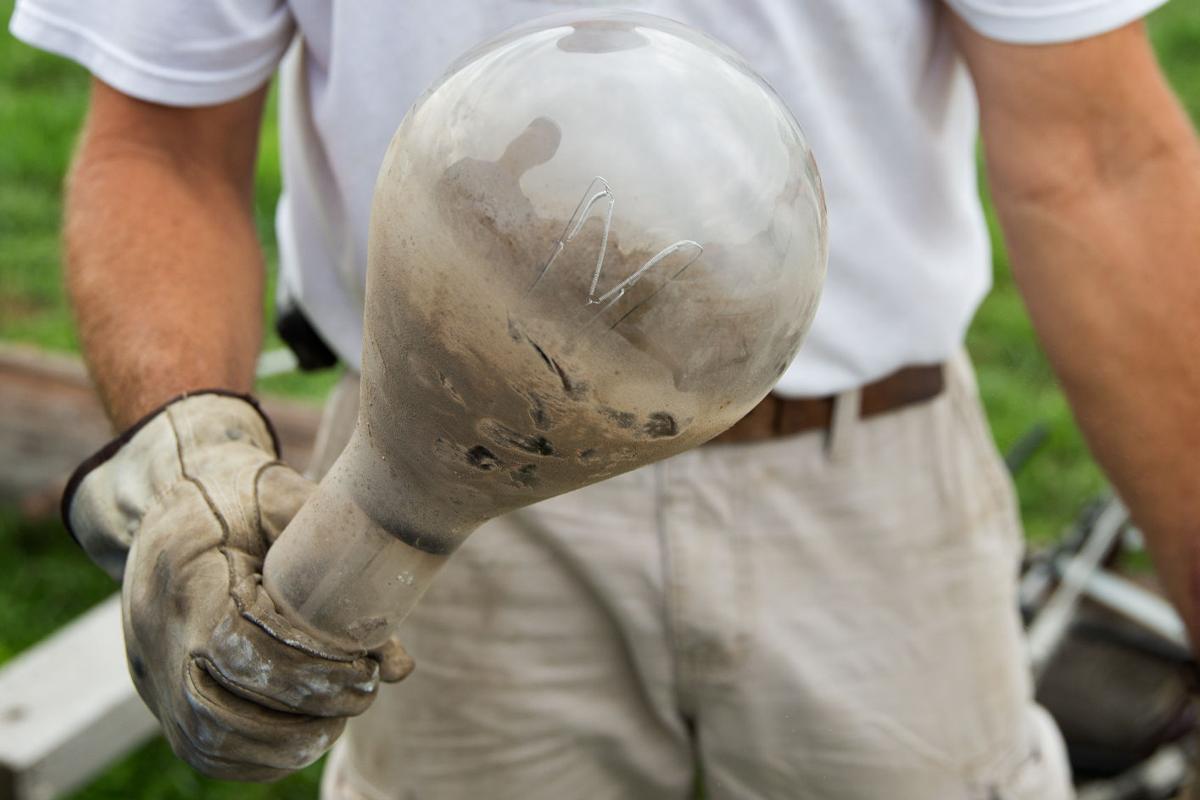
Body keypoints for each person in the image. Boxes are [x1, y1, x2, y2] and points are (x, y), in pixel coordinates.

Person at [10, 0, 1199, 797]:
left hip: (864, 497)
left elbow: (1100, 161)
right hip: (423, 474)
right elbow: (161, 141)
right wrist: (191, 458)